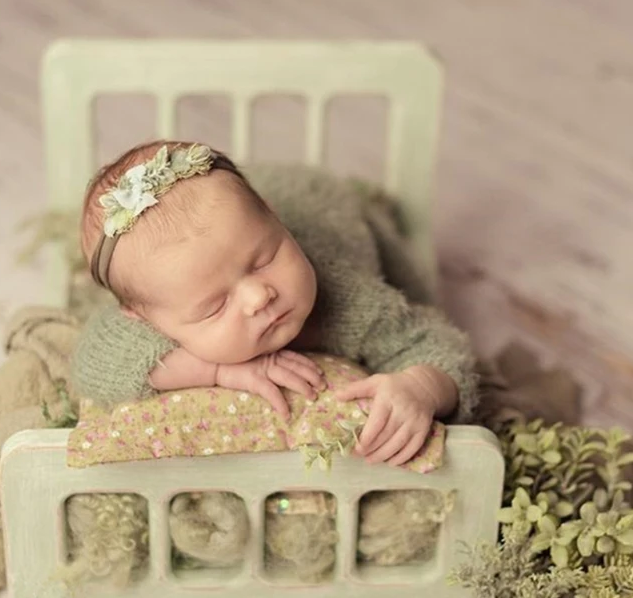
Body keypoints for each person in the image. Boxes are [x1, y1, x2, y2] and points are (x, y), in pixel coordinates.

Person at [72, 141, 478, 466]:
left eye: (264, 260)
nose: (258, 297)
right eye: (215, 307)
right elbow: (92, 363)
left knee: (406, 274)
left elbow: (435, 343)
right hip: (243, 208)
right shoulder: (156, 307)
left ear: (276, 219)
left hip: (319, 198)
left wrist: (419, 387)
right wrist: (219, 370)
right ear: (144, 319)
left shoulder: (349, 300)